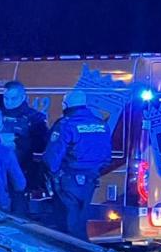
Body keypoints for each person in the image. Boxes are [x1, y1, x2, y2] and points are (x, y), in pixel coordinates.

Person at [42, 90, 112, 241]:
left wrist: (53, 174)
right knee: (81, 219)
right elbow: (107, 155)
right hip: (91, 179)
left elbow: (52, 156)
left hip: (68, 178)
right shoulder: (101, 125)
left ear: (65, 105)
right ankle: (84, 250)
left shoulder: (66, 124)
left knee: (67, 222)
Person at [0, 81, 49, 216]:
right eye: (6, 98)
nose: (8, 102)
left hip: (21, 172)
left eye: (13, 98)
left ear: (23, 97)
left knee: (18, 212)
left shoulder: (35, 118)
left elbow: (42, 146)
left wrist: (18, 140)